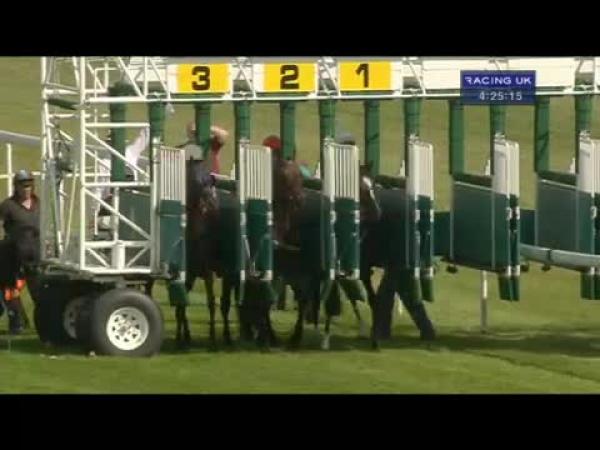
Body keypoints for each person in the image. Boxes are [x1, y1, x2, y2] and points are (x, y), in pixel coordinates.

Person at [0, 170, 40, 334]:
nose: (26, 189)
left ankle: (43, 322)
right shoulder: (8, 205)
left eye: (29, 185)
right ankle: (17, 323)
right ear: (16, 186)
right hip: (13, 254)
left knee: (38, 291)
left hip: (36, 254)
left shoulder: (38, 204)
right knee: (11, 291)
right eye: (23, 185)